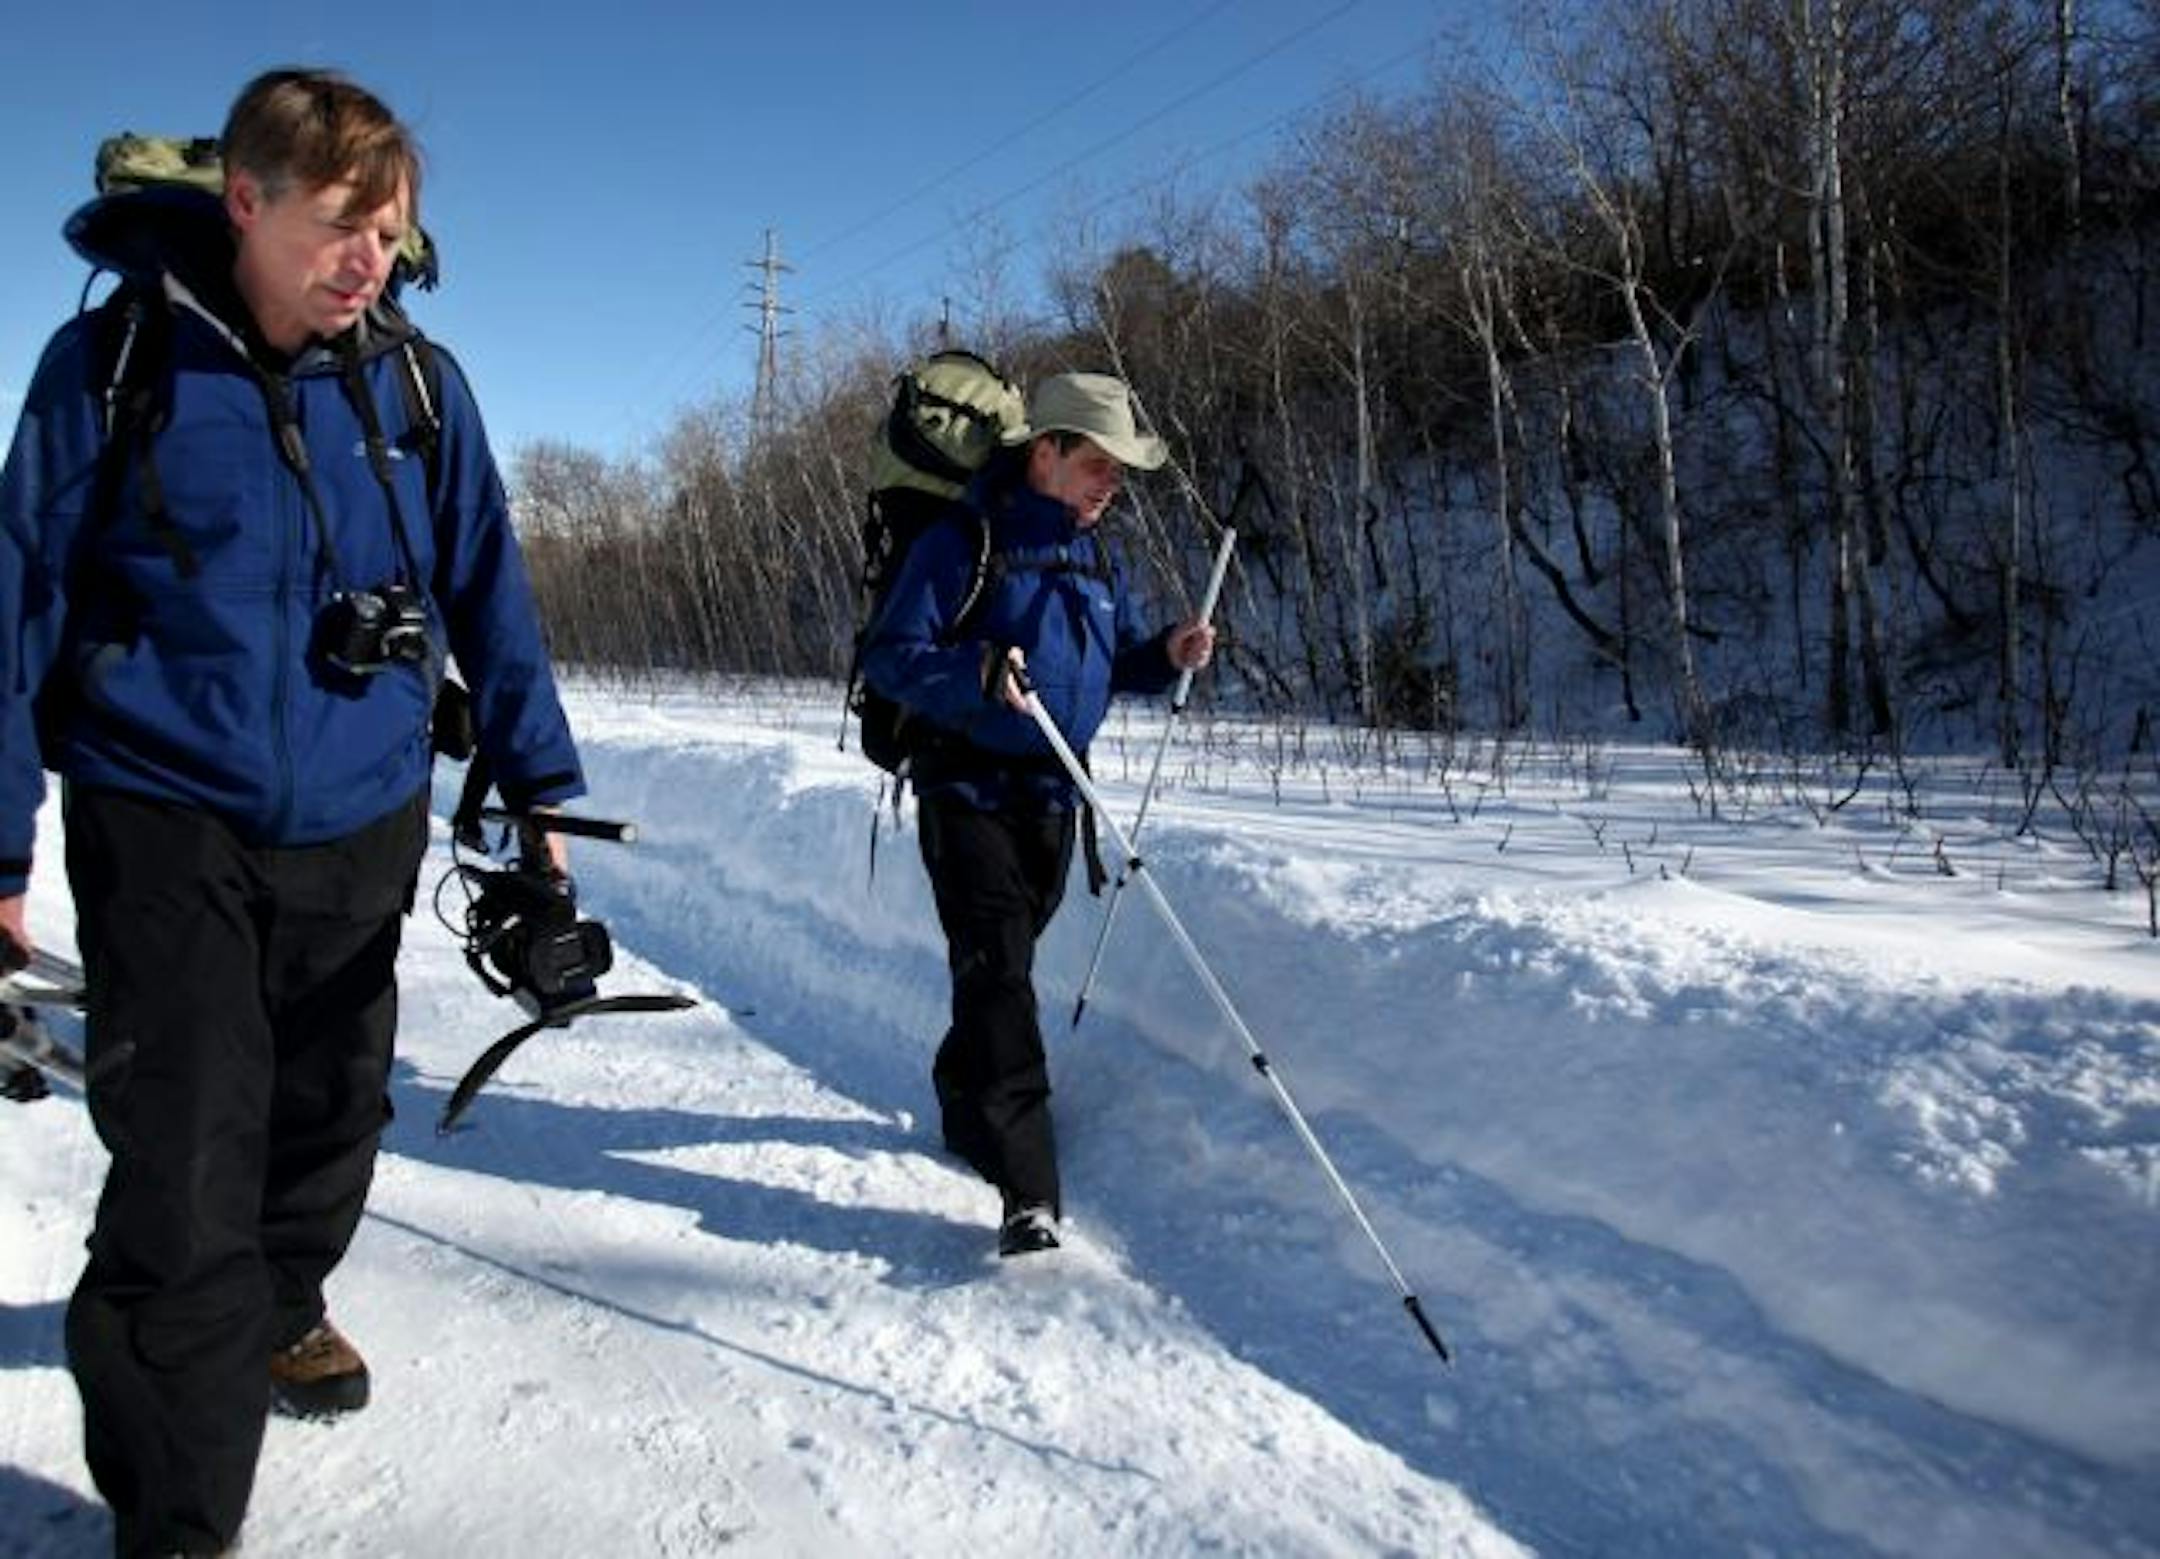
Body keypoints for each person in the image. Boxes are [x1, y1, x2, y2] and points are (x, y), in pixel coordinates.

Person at [0, 70, 584, 1557]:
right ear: (243, 202)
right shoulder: (112, 365)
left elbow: (487, 591)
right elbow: (17, 604)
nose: (366, 261)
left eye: (387, 234)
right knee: (186, 1166)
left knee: (326, 1120)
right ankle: (178, 1518)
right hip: (163, 813)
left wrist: (542, 786)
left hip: (361, 817)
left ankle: (286, 1297)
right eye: (339, 226)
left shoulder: (416, 387)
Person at [861, 371, 1214, 1259]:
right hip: (965, 788)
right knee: (1000, 975)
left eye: (1121, 472)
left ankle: (963, 1094)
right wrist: (977, 675)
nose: (1111, 484)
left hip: (1056, 795)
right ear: (1046, 450)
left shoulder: (1100, 556)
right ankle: (1029, 1187)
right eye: (1098, 463)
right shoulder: (962, 539)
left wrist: (1165, 651)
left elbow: (1109, 663)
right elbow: (892, 658)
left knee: (1000, 968)